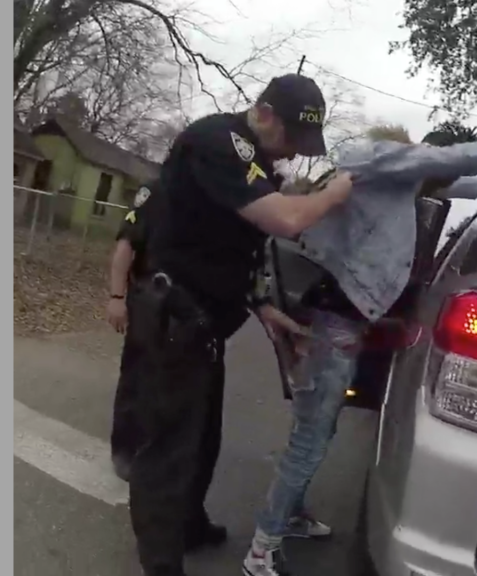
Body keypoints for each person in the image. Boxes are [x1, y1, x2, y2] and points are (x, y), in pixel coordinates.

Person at [242, 126, 477, 576]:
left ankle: (287, 514)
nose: (419, 158)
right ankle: (260, 550)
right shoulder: (374, 158)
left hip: (342, 319)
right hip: (335, 323)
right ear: (400, 151)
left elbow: (449, 180)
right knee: (310, 439)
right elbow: (446, 162)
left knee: (317, 431)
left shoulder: (387, 180)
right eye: (414, 153)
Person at [126, 73, 356, 576]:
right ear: (265, 113)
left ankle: (189, 527)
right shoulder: (220, 142)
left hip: (201, 325)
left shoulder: (253, 162)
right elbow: (287, 222)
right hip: (175, 318)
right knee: (168, 449)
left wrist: (266, 311)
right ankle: (162, 564)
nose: (293, 152)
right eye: (291, 138)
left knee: (202, 438)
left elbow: (234, 254)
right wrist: (337, 192)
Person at [105, 182, 157, 481]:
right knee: (136, 378)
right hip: (149, 297)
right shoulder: (157, 192)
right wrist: (116, 297)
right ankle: (124, 451)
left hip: (187, 309)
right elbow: (127, 245)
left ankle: (153, 447)